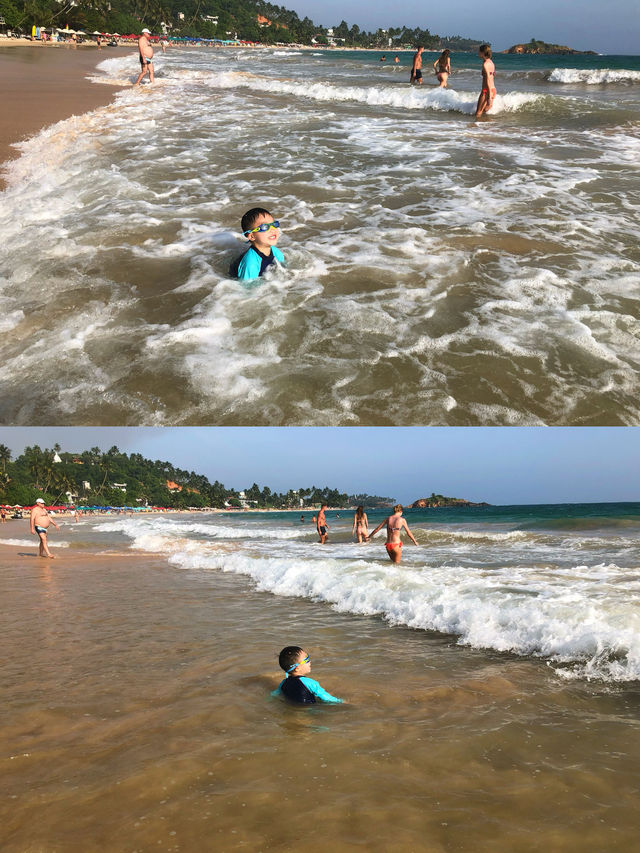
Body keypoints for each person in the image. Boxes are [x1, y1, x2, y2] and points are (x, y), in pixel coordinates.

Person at [273, 646, 344, 705]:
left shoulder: (283, 683)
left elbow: (274, 694)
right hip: (310, 710)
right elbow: (327, 698)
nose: (310, 661)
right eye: (306, 660)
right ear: (297, 668)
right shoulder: (310, 683)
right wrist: (341, 702)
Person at [229, 208, 284, 281]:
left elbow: (284, 271)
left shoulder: (276, 252)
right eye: (265, 227)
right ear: (252, 236)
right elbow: (245, 288)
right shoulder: (250, 263)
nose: (272, 229)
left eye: (274, 224)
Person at [475, 44, 496, 118]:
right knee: (484, 111)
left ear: (483, 52)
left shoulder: (485, 64)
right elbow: (492, 77)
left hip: (486, 90)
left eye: (479, 51)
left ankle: (476, 127)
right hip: (493, 89)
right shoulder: (491, 63)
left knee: (478, 113)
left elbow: (488, 79)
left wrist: (489, 97)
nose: (478, 53)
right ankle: (484, 128)